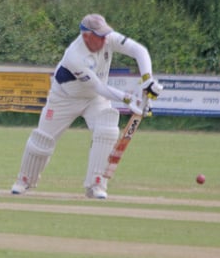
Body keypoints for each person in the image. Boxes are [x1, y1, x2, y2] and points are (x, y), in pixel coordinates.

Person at [10, 14, 163, 199]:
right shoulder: (74, 56)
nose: (105, 39)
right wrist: (129, 99)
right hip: (64, 98)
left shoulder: (108, 38)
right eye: (100, 35)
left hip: (94, 99)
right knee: (42, 140)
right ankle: (24, 179)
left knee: (107, 129)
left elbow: (139, 51)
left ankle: (96, 184)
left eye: (105, 34)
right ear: (86, 36)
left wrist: (147, 80)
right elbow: (98, 85)